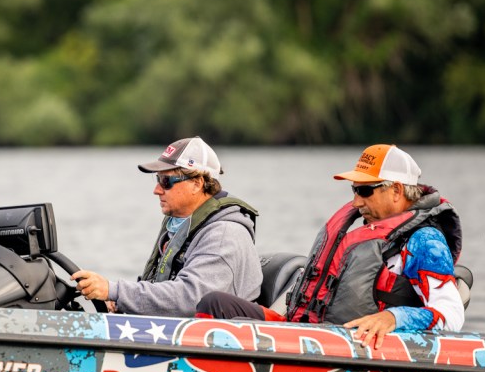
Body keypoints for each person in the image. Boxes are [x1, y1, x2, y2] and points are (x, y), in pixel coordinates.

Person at [197, 144, 465, 349]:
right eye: (354, 190)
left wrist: (393, 319)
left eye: (365, 191)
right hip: (309, 334)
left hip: (347, 346)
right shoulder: (365, 231)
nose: (357, 202)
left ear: (396, 190)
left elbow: (451, 316)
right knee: (215, 303)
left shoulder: (426, 241)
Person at [71, 136, 262, 317]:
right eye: (157, 180)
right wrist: (119, 301)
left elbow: (189, 298)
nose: (157, 190)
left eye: (166, 181)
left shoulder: (224, 234)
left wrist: (115, 291)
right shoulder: (182, 226)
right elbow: (163, 286)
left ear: (197, 183)